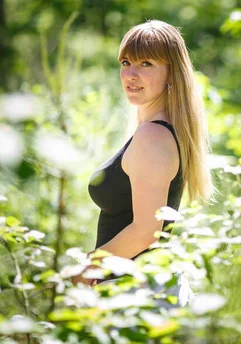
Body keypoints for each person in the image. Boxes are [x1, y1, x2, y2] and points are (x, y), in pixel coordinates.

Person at [71, 20, 215, 288]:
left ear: (172, 74)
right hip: (141, 291)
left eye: (146, 63)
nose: (131, 74)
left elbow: (145, 233)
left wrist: (84, 270)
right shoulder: (161, 132)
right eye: (126, 63)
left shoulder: (153, 137)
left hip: (136, 295)